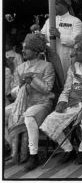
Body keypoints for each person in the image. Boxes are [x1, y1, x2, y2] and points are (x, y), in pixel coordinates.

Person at [40, 34, 82, 165]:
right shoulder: (73, 68)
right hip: (72, 104)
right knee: (50, 121)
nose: (74, 53)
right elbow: (67, 89)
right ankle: (69, 149)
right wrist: (61, 102)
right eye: (74, 49)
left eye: (77, 50)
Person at [5, 36, 55, 172]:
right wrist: (20, 85)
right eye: (23, 47)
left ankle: (33, 156)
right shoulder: (20, 67)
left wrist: (32, 77)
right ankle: (10, 148)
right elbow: (13, 93)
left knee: (29, 116)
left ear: (36, 51)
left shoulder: (47, 66)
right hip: (22, 102)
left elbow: (47, 89)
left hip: (42, 102)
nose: (23, 50)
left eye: (27, 48)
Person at [41, 0, 82, 79]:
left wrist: (59, 35)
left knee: (66, 80)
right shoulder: (49, 20)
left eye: (56, 4)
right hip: (50, 58)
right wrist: (39, 35)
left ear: (65, 5)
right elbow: (44, 38)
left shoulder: (75, 21)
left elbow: (77, 42)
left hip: (66, 59)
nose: (53, 6)